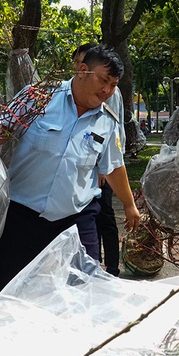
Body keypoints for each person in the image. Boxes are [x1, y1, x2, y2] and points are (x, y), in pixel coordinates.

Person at [0, 45, 140, 303]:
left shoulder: (107, 121)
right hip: (23, 212)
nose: (107, 91)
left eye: (113, 85)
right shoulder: (38, 98)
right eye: (104, 81)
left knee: (85, 289)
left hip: (76, 217)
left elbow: (113, 166)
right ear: (83, 71)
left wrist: (130, 205)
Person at [72, 43, 123, 277]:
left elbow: (113, 130)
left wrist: (104, 167)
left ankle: (111, 267)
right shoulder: (51, 99)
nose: (107, 89)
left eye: (111, 83)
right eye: (76, 63)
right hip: (79, 175)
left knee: (104, 218)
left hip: (99, 168)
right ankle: (96, 264)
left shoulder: (108, 94)